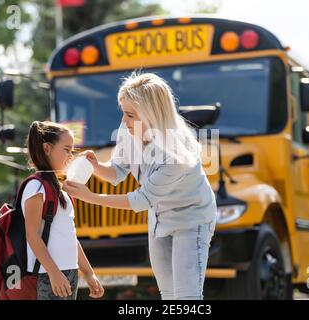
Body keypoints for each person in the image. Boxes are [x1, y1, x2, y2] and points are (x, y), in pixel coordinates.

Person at [63, 73, 217, 300]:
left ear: (152, 115)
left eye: (130, 115)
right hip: (159, 220)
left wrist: (91, 197)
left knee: (187, 297)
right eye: (124, 113)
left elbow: (140, 200)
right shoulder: (130, 129)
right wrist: (97, 166)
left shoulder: (177, 157)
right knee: (169, 295)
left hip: (191, 221)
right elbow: (118, 171)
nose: (124, 122)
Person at [24, 121, 104, 300]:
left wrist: (88, 273)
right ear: (47, 148)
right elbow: (32, 236)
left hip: (69, 272)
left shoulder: (60, 190)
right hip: (47, 275)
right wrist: (54, 273)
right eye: (67, 149)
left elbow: (70, 235)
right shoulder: (35, 188)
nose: (71, 156)